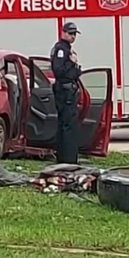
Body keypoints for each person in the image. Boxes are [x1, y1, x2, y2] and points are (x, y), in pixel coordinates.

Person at [50, 22, 82, 164]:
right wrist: (71, 62)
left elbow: (72, 73)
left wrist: (76, 68)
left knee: (68, 124)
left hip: (69, 90)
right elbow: (59, 71)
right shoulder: (61, 50)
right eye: (70, 33)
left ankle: (68, 157)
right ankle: (67, 159)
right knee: (67, 125)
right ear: (63, 33)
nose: (73, 36)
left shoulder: (67, 49)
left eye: (74, 34)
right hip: (65, 91)